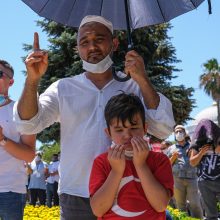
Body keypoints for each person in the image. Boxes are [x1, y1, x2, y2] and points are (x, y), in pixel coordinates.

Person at [13, 15, 175, 219]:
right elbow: (28, 125)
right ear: (77, 49)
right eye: (84, 42)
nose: (92, 47)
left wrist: (142, 79)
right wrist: (32, 80)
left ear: (114, 43)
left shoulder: (134, 86)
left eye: (99, 39)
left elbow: (163, 128)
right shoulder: (63, 88)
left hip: (130, 191)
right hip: (77, 195)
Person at [89, 93, 174, 219]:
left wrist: (141, 165)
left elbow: (161, 205)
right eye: (119, 130)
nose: (127, 135)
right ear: (108, 133)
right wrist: (116, 171)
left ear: (145, 128)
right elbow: (98, 210)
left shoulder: (160, 160)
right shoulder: (102, 162)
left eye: (134, 128)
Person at [0, 59, 36, 220]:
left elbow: (29, 155)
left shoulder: (20, 111)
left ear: (11, 82)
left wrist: (2, 139)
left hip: (9, 191)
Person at [167, 125, 203, 218]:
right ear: (174, 134)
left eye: (180, 131)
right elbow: (167, 165)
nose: (178, 133)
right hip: (177, 180)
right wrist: (173, 157)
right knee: (180, 205)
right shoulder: (171, 148)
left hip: (192, 178)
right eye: (176, 132)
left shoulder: (193, 146)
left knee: (195, 204)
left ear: (185, 133)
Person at [188, 119, 220, 220]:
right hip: (205, 182)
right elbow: (192, 162)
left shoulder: (218, 139)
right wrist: (201, 153)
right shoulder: (197, 143)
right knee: (211, 214)